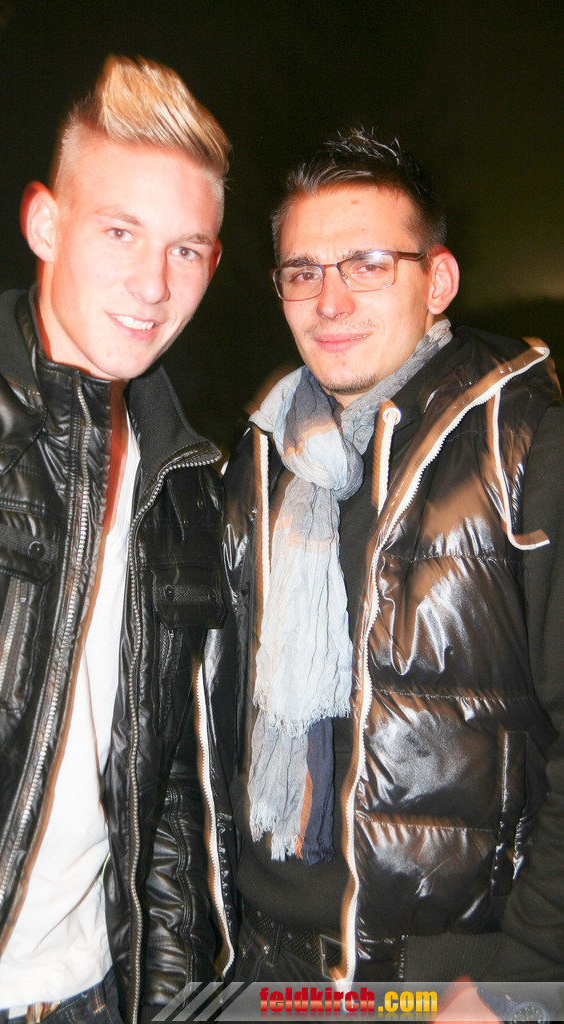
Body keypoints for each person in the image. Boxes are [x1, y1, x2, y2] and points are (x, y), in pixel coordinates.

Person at [0, 55, 235, 1024]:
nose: (152, 284)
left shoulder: (182, 482)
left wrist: (167, 1000)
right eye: (121, 231)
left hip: (92, 995)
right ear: (45, 224)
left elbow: (165, 785)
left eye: (186, 249)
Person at [204, 129, 564, 1006]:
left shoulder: (523, 443)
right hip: (258, 959)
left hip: (440, 977)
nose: (330, 300)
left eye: (368, 264)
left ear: (437, 281)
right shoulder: (257, 462)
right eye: (303, 271)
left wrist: (521, 971)